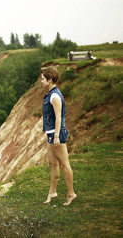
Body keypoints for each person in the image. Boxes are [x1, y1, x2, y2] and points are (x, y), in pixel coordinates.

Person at [40, 66, 77, 206]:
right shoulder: (51, 94)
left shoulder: (55, 96)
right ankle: (52, 192)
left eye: (43, 79)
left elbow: (58, 118)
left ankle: (71, 194)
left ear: (50, 80)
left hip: (57, 134)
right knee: (52, 164)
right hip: (51, 134)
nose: (41, 81)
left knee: (64, 165)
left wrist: (56, 136)